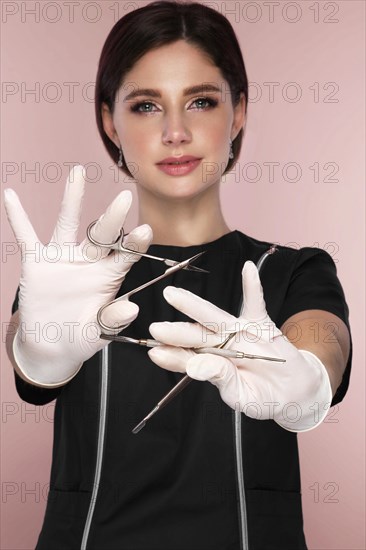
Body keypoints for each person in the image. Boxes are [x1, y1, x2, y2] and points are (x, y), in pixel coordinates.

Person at [4, 1, 352, 549]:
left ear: (238, 113)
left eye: (201, 101)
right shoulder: (67, 277)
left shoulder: (294, 271)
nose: (175, 131)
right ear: (107, 120)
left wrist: (304, 384)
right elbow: (25, 353)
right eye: (145, 106)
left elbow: (324, 349)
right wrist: (38, 349)